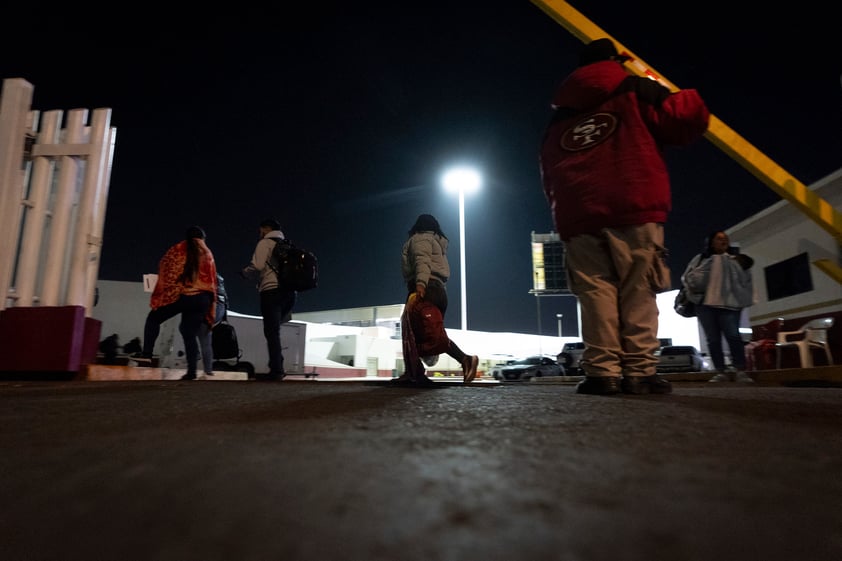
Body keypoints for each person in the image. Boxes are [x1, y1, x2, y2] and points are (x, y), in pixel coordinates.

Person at [539, 38, 710, 396]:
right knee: (639, 287)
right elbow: (683, 119)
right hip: (633, 201)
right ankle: (640, 372)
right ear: (616, 61)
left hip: (579, 213)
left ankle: (603, 373)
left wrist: (565, 212)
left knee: (594, 292)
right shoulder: (636, 88)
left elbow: (548, 171)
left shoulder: (560, 116)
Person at [394, 213, 478, 386]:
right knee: (431, 333)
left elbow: (422, 261)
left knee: (411, 329)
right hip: (439, 291)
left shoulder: (420, 239)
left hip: (425, 288)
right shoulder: (437, 243)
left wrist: (420, 286)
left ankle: (416, 372)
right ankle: (414, 371)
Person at [131, 226, 218, 381]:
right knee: (189, 332)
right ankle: (192, 372)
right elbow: (212, 280)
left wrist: (166, 291)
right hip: (202, 298)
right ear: (202, 238)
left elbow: (165, 268)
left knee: (153, 319)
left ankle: (146, 355)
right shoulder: (207, 253)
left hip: (181, 295)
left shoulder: (177, 249)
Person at [681, 231, 755, 383]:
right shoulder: (700, 259)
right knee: (712, 339)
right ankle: (720, 371)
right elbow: (688, 278)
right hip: (705, 304)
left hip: (730, 304)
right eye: (719, 238)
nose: (723, 241)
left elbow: (745, 280)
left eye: (726, 239)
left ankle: (740, 370)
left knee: (733, 336)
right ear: (711, 242)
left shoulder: (738, 259)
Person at [241, 218, 297, 381]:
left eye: (260, 230)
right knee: (275, 331)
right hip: (290, 293)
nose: (259, 233)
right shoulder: (288, 245)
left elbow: (257, 266)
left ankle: (276, 370)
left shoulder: (264, 243)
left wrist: (245, 273)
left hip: (271, 291)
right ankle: (277, 365)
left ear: (266, 229)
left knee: (271, 332)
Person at [197, 272, 228, 379]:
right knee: (203, 334)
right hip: (219, 306)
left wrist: (211, 315)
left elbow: (213, 295)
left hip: (215, 305)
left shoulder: (203, 272)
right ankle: (208, 369)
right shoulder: (214, 273)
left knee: (203, 333)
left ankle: (207, 369)